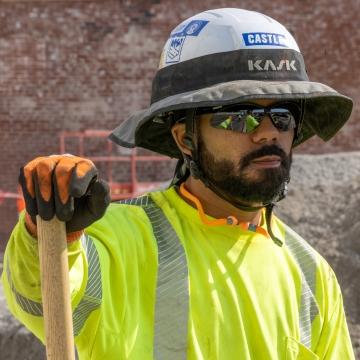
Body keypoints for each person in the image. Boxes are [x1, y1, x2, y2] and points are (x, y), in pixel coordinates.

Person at [1, 8, 355, 360]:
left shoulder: (312, 273)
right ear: (186, 138)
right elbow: (36, 298)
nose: (267, 133)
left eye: (282, 117)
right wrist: (45, 229)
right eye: (239, 117)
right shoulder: (118, 237)